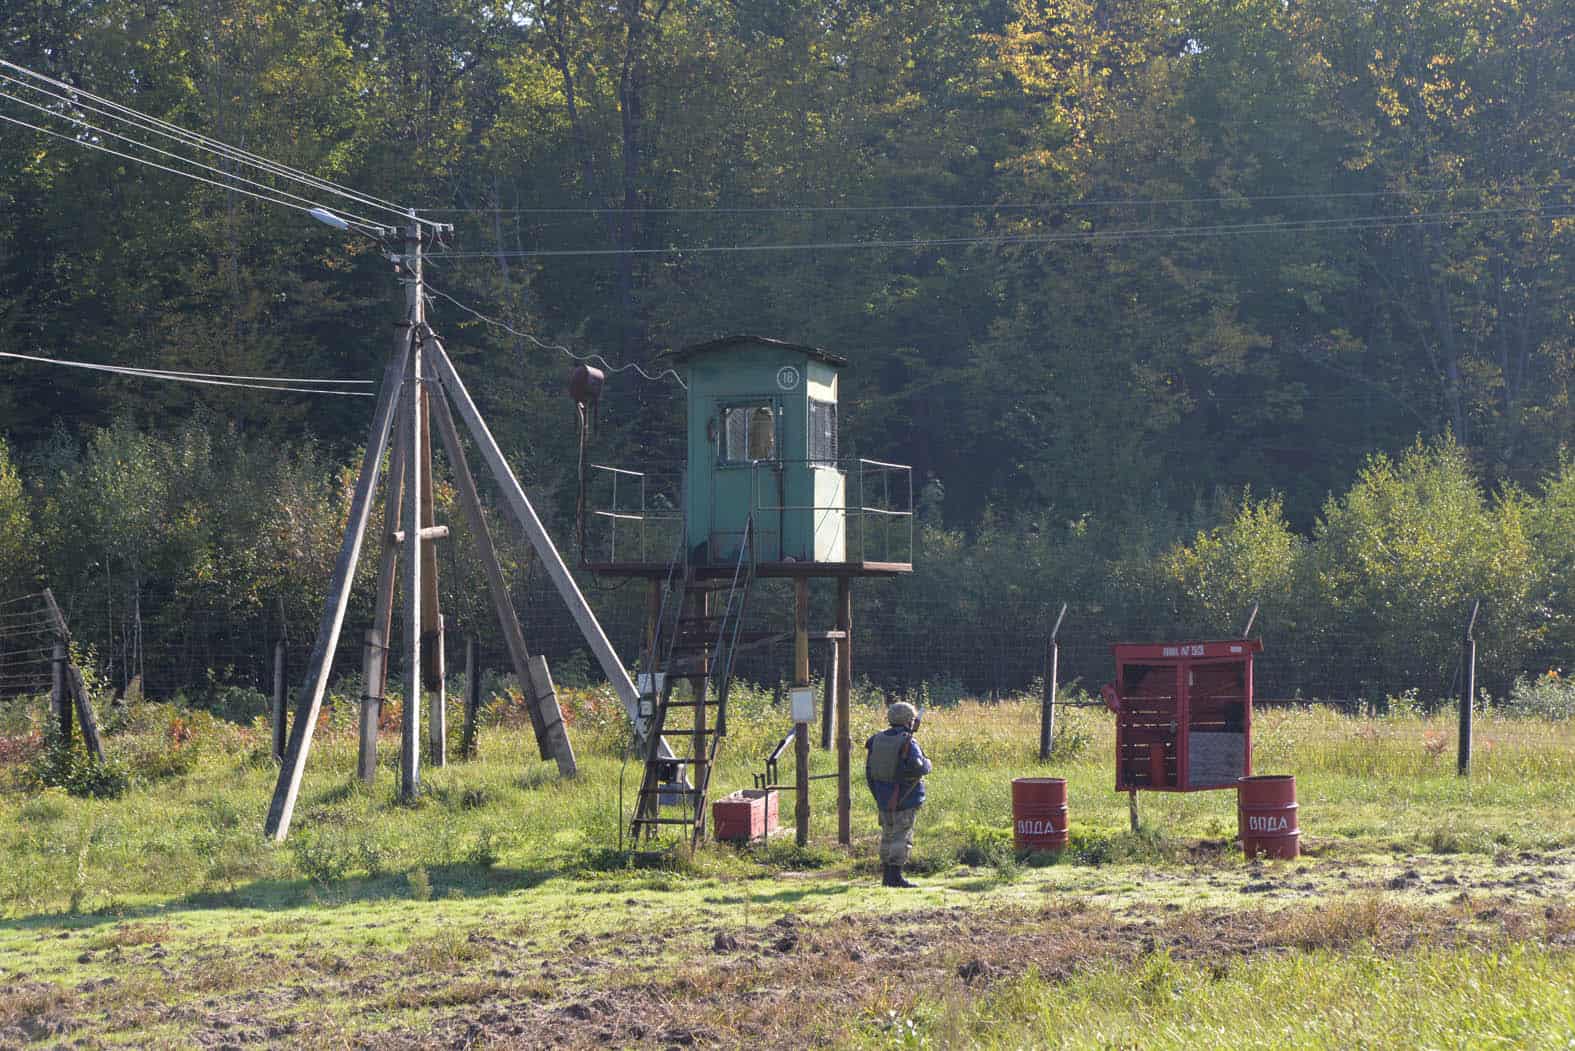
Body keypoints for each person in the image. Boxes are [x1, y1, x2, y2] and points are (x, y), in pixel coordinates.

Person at [865, 701, 932, 888]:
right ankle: (895, 877)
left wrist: (878, 795)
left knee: (887, 835)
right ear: (909, 720)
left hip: (883, 798)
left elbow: (869, 771)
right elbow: (919, 767)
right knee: (901, 837)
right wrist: (928, 763)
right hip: (904, 798)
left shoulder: (876, 740)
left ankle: (887, 875)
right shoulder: (907, 742)